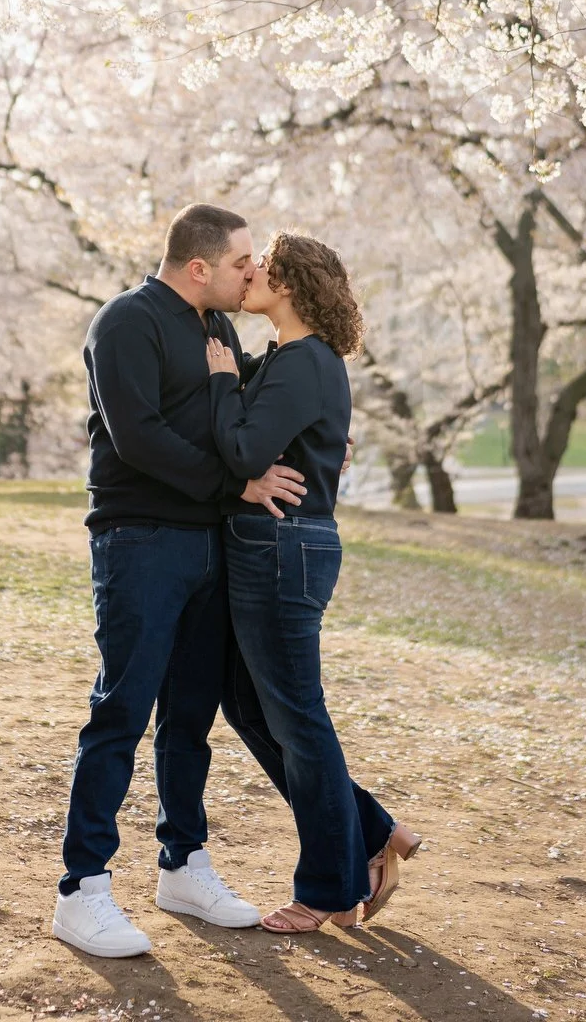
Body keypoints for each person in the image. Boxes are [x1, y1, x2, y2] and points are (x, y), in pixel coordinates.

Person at [52, 203, 307, 959]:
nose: (252, 273)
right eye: (241, 263)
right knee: (122, 711)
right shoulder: (125, 323)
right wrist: (240, 486)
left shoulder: (217, 329)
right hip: (140, 542)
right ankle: (81, 889)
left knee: (191, 713)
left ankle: (183, 865)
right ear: (199, 267)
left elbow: (242, 410)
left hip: (207, 545)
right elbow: (139, 440)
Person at [206, 232, 422, 935]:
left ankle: (331, 887)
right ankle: (372, 831)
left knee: (297, 718)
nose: (252, 272)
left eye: (263, 263)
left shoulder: (303, 363)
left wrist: (219, 384)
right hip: (273, 548)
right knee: (247, 705)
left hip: (282, 550)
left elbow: (242, 449)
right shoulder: (287, 359)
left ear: (292, 283)